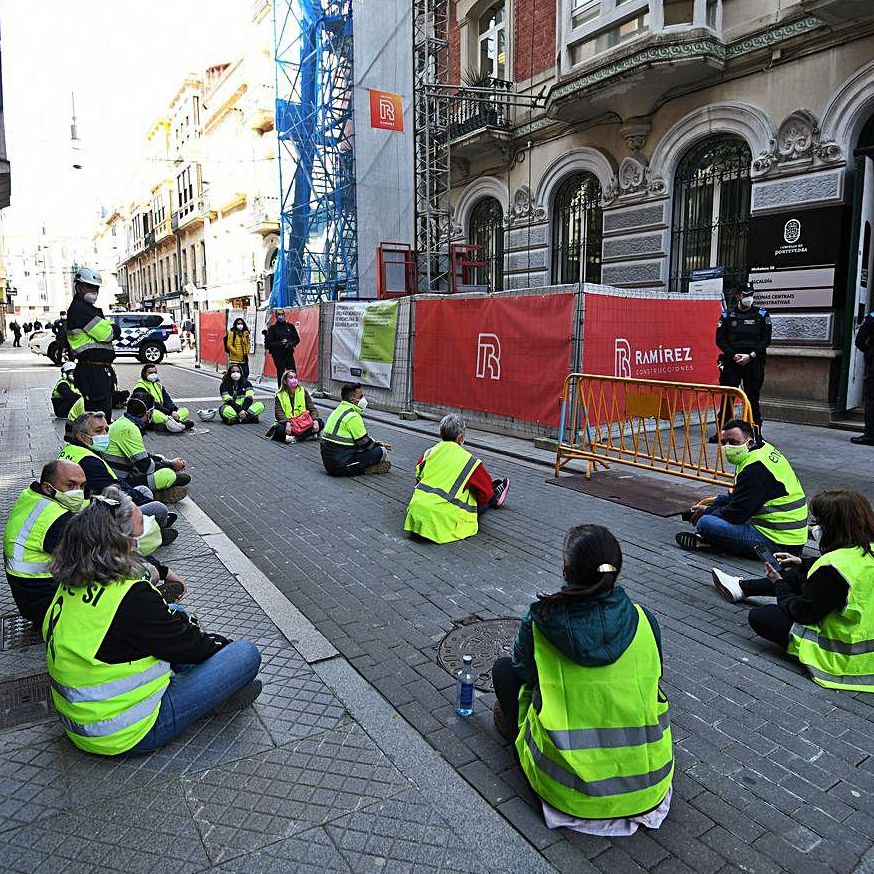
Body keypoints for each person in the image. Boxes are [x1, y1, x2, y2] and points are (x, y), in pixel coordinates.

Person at [43, 487, 262, 756]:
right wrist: (222, 648)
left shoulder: (74, 581)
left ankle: (206, 687)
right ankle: (209, 697)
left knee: (174, 611)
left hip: (83, 721)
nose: (141, 542)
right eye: (137, 535)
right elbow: (195, 647)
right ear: (121, 543)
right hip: (126, 731)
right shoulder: (131, 598)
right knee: (245, 654)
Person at [491, 525, 673, 835]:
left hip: (568, 790)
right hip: (647, 786)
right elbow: (654, 677)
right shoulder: (645, 620)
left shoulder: (541, 620)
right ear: (617, 571)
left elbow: (522, 671)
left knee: (503, 671)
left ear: (566, 570)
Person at [712, 490, 874, 693]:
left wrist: (779, 583)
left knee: (762, 616)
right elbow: (854, 565)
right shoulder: (863, 550)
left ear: (833, 526)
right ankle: (742, 587)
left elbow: (800, 613)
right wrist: (802, 562)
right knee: (800, 574)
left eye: (819, 522)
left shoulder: (833, 569)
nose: (815, 527)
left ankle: (743, 588)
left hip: (847, 661)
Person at [676, 418, 807, 559]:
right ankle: (717, 542)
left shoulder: (754, 470)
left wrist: (708, 511)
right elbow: (746, 497)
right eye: (724, 443)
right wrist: (716, 502)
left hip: (780, 543)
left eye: (733, 443)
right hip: (786, 534)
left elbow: (737, 514)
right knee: (715, 511)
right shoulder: (761, 450)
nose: (727, 447)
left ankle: (714, 545)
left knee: (705, 523)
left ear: (749, 442)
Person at [3, 461, 87, 627]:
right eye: (71, 485)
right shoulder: (56, 520)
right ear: (48, 488)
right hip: (49, 605)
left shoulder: (31, 495)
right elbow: (98, 557)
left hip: (29, 598)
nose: (78, 493)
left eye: (82, 486)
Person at [404, 414, 510, 543]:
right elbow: (485, 494)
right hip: (441, 520)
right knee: (482, 494)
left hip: (415, 513)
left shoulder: (429, 453)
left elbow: (417, 479)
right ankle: (496, 496)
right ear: (460, 438)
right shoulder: (470, 462)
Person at [61, 411, 174, 526]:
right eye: (99, 431)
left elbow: (114, 483)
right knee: (159, 509)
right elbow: (117, 491)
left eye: (106, 430)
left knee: (143, 490)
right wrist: (147, 502)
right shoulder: (89, 461)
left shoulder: (72, 450)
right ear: (82, 436)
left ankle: (151, 525)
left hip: (94, 503)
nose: (105, 434)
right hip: (90, 516)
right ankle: (147, 531)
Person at [710, 283, 771, 441]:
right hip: (732, 363)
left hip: (754, 362)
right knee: (727, 399)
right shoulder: (727, 315)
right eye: (745, 294)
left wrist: (750, 356)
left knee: (752, 399)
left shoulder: (762, 315)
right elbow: (720, 340)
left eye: (751, 294)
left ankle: (756, 433)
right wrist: (733, 355)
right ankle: (722, 433)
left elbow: (766, 340)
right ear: (738, 296)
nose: (748, 298)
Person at [104, 396, 191, 493]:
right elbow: (145, 467)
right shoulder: (129, 429)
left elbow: (141, 456)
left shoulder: (123, 421)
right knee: (168, 475)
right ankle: (162, 490)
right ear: (148, 413)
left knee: (159, 457)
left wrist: (167, 462)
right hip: (119, 482)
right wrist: (171, 465)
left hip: (119, 473)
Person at [66, 266, 120, 420]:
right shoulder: (80, 309)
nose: (94, 291)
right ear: (79, 287)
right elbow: (107, 334)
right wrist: (114, 329)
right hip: (92, 371)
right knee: (97, 416)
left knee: (102, 414)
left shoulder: (87, 308)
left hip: (97, 369)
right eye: (89, 287)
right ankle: (97, 442)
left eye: (96, 288)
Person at [320, 383, 392, 476]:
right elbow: (365, 444)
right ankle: (367, 469)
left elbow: (360, 439)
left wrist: (376, 443)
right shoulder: (353, 416)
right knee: (382, 452)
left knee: (366, 447)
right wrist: (379, 446)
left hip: (329, 463)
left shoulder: (338, 410)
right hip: (340, 466)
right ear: (352, 399)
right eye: (361, 396)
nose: (363, 399)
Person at [131, 364, 193, 432]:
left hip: (164, 412)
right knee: (155, 414)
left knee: (185, 411)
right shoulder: (140, 387)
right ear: (144, 374)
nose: (153, 374)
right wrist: (169, 412)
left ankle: (171, 424)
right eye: (150, 373)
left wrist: (173, 410)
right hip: (149, 412)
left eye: (155, 372)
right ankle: (178, 423)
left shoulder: (158, 385)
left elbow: (167, 400)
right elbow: (152, 404)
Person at [268, 369, 321, 443]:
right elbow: (278, 412)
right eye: (291, 377)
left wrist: (315, 420)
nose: (294, 379)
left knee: (320, 423)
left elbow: (312, 408)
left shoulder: (303, 391)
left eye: (295, 377)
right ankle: (307, 436)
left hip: (302, 422)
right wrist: (287, 423)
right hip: (289, 423)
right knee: (278, 428)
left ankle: (294, 438)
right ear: (284, 381)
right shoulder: (279, 395)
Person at [851, 310, 874, 446]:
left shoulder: (872, 317)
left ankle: (870, 435)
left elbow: (860, 340)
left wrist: (870, 352)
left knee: (871, 399)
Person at [264, 309, 300, 388]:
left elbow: (297, 339)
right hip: (278, 354)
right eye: (279, 314)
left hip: (288, 353)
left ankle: (293, 387)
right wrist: (280, 343)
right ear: (276, 316)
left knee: (292, 371)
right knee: (281, 371)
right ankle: (281, 388)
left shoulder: (290, 326)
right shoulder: (273, 328)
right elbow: (269, 343)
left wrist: (290, 343)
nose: (281, 316)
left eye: (282, 314)